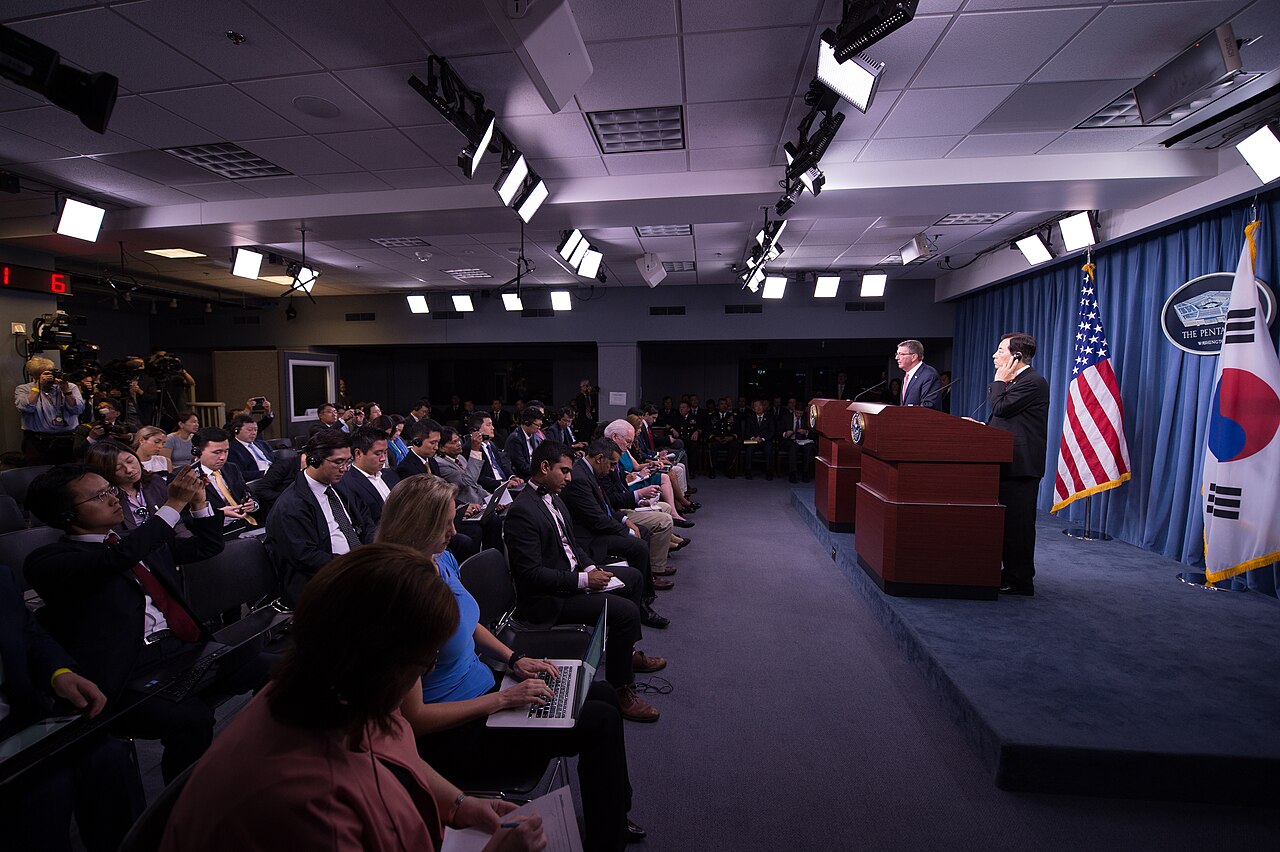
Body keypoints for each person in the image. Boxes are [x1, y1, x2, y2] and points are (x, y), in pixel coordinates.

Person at [158, 543, 547, 852]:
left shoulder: (334, 686)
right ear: (383, 662)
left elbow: (396, 749)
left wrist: (458, 804)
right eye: (425, 662)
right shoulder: (309, 805)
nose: (426, 672)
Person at [377, 476, 643, 852]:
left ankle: (613, 813)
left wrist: (514, 658)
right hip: (455, 730)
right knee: (598, 720)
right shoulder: (401, 594)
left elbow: (470, 625)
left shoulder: (440, 560)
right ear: (418, 526)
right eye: (445, 524)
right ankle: (608, 836)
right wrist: (502, 700)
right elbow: (414, 719)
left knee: (600, 694)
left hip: (487, 695)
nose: (455, 532)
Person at [23, 464, 268, 782]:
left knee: (275, 668)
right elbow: (114, 560)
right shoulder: (51, 560)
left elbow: (207, 546)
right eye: (100, 496)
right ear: (66, 514)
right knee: (192, 718)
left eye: (111, 490)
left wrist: (198, 504)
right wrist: (173, 504)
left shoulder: (131, 541)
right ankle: (179, 808)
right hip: (127, 671)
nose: (114, 499)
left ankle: (264, 761)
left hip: (180, 649)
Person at [503, 440, 666, 723]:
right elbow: (531, 576)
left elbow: (572, 543)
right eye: (564, 471)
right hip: (549, 598)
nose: (569, 477)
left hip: (571, 576)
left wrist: (590, 567)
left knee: (633, 578)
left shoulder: (553, 498)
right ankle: (620, 688)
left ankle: (626, 653)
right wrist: (583, 580)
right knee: (625, 613)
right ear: (544, 468)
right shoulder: (522, 511)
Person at [0, 564, 144, 852]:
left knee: (109, 757)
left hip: (17, 715)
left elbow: (28, 633)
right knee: (48, 791)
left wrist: (59, 672)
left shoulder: (2, 577)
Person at [561, 439, 673, 619]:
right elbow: (596, 519)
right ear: (599, 458)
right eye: (612, 464)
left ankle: (645, 591)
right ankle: (642, 606)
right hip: (588, 537)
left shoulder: (589, 472)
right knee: (638, 545)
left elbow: (605, 507)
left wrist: (625, 520)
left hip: (595, 527)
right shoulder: (580, 478)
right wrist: (627, 531)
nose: (613, 469)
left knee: (642, 532)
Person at [264, 428, 376, 605]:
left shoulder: (339, 485)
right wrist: (354, 564)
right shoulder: (291, 505)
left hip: (355, 566)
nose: (345, 469)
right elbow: (306, 558)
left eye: (348, 462)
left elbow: (365, 520)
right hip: (322, 580)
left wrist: (373, 550)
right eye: (338, 462)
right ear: (313, 460)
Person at [985, 332, 1050, 597]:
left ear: (1016, 356)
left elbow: (1001, 408)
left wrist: (999, 381)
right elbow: (1005, 419)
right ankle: (1009, 572)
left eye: (1000, 350)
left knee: (1018, 526)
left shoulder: (1032, 382)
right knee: (1008, 524)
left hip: (1021, 466)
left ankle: (1020, 580)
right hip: (1007, 461)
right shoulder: (1017, 381)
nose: (994, 355)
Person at [84, 442, 171, 534]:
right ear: (104, 472)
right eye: (117, 468)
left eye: (130, 461)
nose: (129, 470)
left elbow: (176, 522)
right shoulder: (105, 500)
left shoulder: (155, 481)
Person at [15, 356, 86, 464]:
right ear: (33, 375)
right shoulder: (23, 389)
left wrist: (66, 391)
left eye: (50, 373)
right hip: (37, 442)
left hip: (67, 440)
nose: (49, 377)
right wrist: (38, 386)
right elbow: (26, 408)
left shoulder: (70, 387)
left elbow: (78, 410)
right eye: (44, 374)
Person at [226, 412, 276, 482]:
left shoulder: (263, 444)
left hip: (276, 476)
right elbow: (239, 474)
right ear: (236, 430)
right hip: (259, 481)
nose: (254, 433)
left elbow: (275, 460)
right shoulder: (231, 449)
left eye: (255, 430)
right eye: (249, 430)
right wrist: (265, 473)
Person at [778, 397, 816, 483]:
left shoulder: (807, 418)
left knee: (809, 448)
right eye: (797, 413)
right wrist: (785, 434)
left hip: (803, 441)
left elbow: (813, 433)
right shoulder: (786, 417)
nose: (799, 415)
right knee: (793, 447)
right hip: (790, 441)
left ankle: (806, 473)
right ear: (794, 410)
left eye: (801, 413)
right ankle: (793, 473)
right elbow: (778, 431)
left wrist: (806, 432)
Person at [896, 339, 943, 409]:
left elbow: (929, 405)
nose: (897, 358)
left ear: (914, 357)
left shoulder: (929, 375)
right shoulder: (908, 375)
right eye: (897, 354)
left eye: (902, 354)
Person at [740, 399, 775, 481]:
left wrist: (762, 438)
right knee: (749, 449)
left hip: (765, 441)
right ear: (753, 409)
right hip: (753, 441)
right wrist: (753, 438)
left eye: (760, 405)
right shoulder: (750, 419)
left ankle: (769, 472)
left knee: (768, 449)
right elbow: (746, 432)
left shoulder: (770, 418)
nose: (758, 408)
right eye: (756, 406)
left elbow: (772, 431)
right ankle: (748, 472)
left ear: (763, 407)